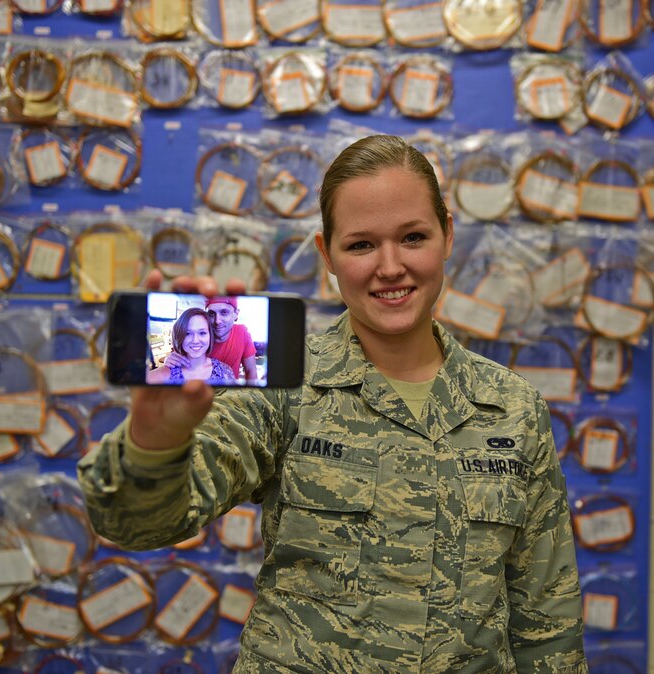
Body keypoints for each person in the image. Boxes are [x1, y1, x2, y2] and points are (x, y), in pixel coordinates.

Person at [79, 135, 587, 673]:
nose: (390, 267)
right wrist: (155, 443)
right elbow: (139, 525)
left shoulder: (512, 408)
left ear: (447, 235)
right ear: (327, 255)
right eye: (361, 245)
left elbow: (547, 617)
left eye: (413, 237)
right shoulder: (285, 389)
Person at [164, 296, 258, 384]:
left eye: (224, 312)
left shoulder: (242, 332)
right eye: (212, 314)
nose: (217, 321)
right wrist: (168, 361)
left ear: (236, 314)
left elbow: (251, 370)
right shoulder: (198, 339)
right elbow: (177, 358)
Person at [146, 307, 236, 385]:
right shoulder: (161, 375)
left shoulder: (225, 372)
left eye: (202, 333)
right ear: (180, 335)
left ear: (210, 336)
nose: (195, 340)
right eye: (188, 333)